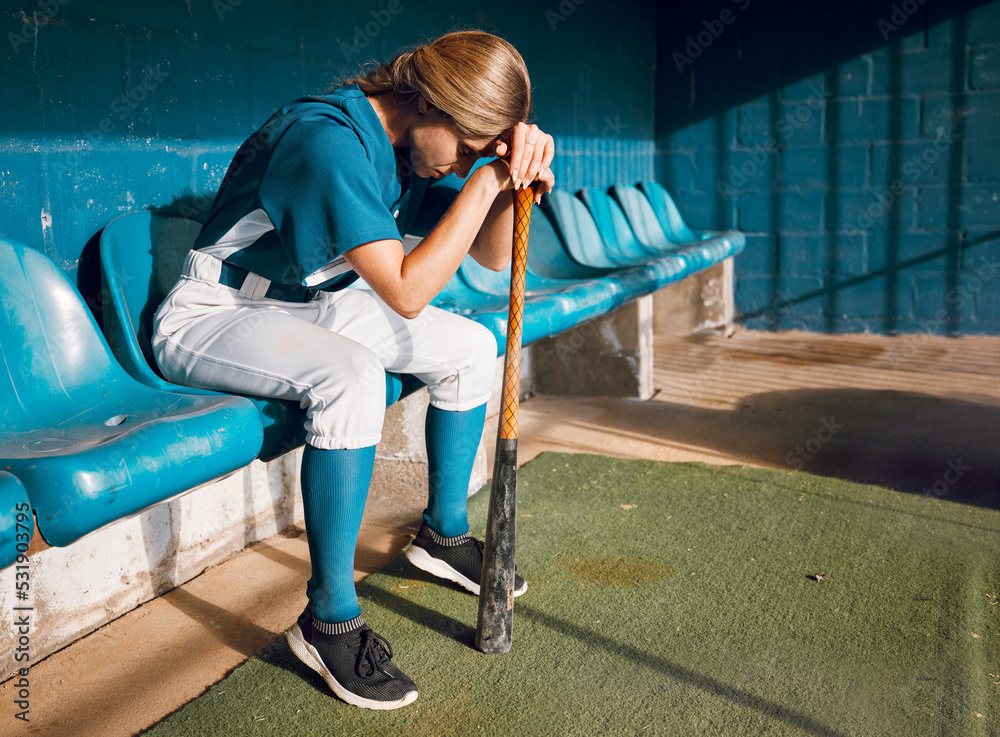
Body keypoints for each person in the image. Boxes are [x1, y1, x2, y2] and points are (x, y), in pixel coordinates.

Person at [151, 30, 555, 710]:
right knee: (354, 376)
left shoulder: (408, 148)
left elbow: (486, 254)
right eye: (463, 146)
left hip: (312, 308)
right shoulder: (328, 138)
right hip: (212, 312)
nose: (459, 166)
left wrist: (516, 182)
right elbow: (403, 290)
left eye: (475, 154)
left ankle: (443, 534)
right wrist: (487, 176)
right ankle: (328, 618)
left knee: (467, 347)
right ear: (427, 101)